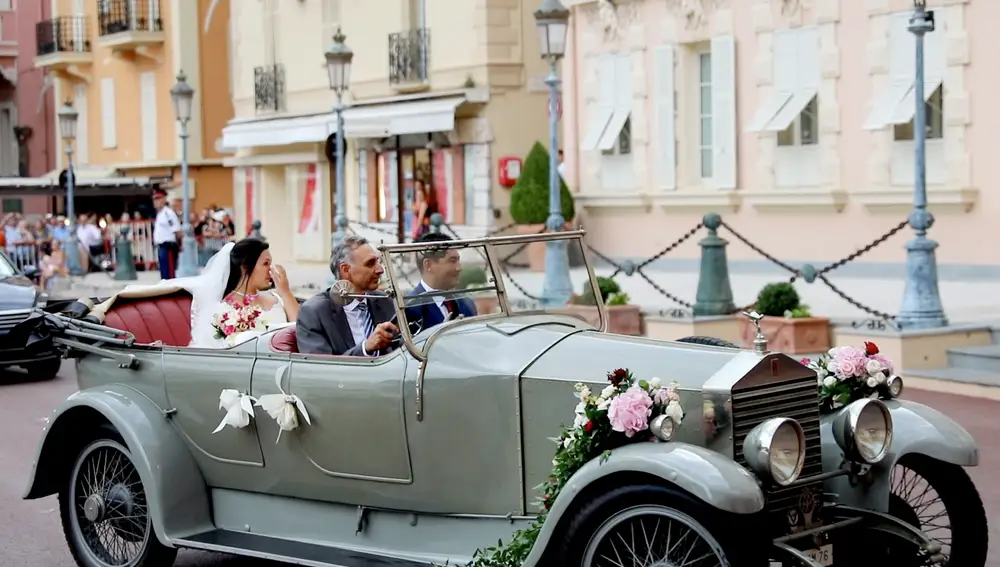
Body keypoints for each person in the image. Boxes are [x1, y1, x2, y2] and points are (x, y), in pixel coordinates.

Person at [146, 237, 300, 348]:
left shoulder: (276, 298)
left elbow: (301, 330)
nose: (271, 269)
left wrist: (285, 291)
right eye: (266, 264)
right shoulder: (223, 308)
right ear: (245, 267)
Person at [296, 235, 398, 357]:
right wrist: (365, 349)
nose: (380, 270)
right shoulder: (314, 312)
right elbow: (320, 367)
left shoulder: (386, 301)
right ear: (345, 270)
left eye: (378, 262)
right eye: (370, 263)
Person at [406, 233, 477, 331]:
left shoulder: (466, 303)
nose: (459, 268)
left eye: (458, 260)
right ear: (428, 265)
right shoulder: (410, 308)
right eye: (452, 261)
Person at [153, 189, 182, 279]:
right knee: (163, 273)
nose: (155, 201)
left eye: (158, 198)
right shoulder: (160, 214)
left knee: (169, 273)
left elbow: (177, 230)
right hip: (161, 246)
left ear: (164, 199)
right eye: (154, 199)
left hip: (168, 246)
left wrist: (179, 245)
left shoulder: (168, 213)